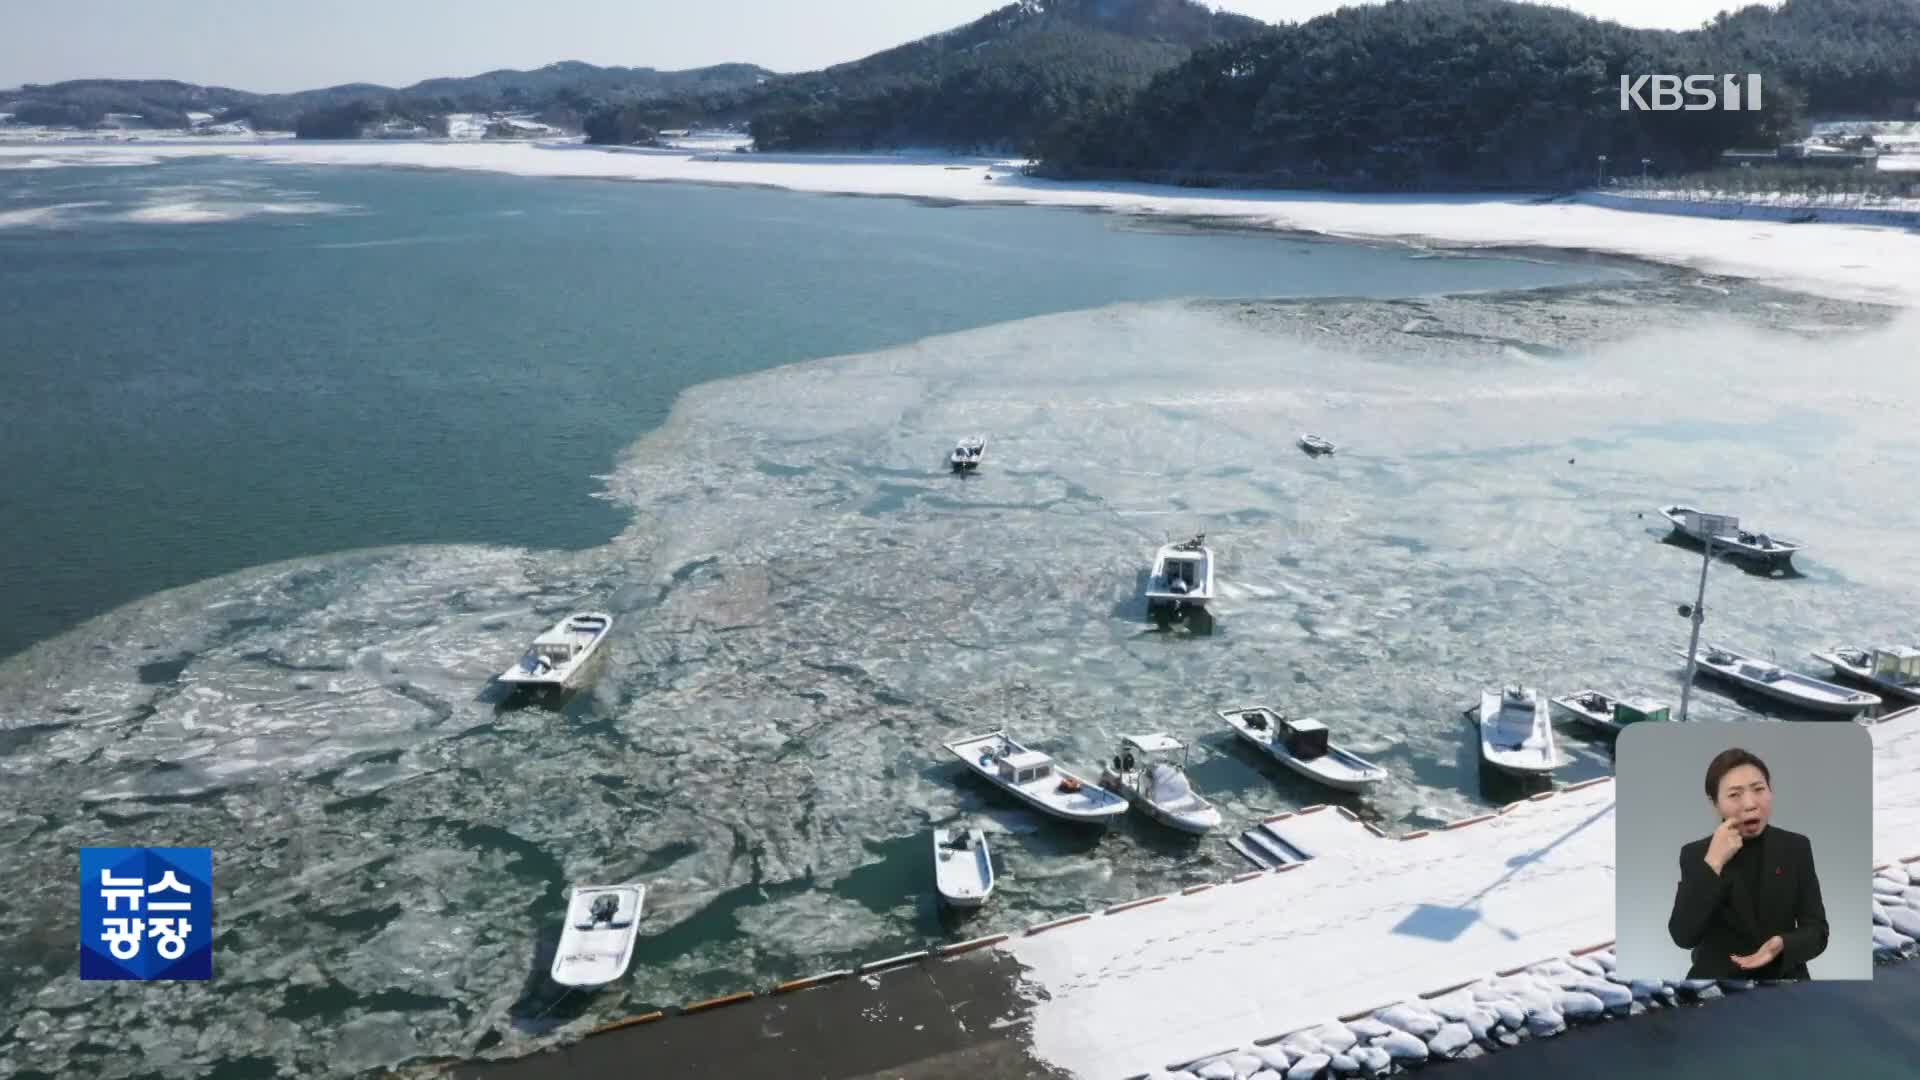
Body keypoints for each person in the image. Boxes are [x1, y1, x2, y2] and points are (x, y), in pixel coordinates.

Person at [1667, 747, 1828, 979]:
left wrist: (1781, 944)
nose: (1750, 803)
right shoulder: (1696, 854)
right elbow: (1683, 936)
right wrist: (1713, 863)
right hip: (1717, 986)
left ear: (1771, 791)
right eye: (1734, 795)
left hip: (1785, 981)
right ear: (1715, 803)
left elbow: (1818, 931)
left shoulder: (1796, 847)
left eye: (1759, 789)